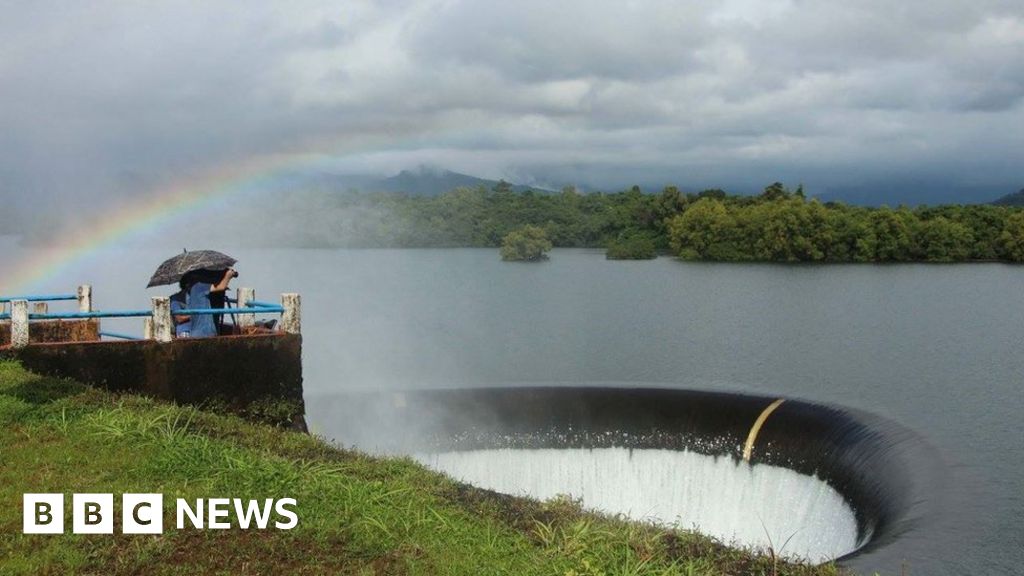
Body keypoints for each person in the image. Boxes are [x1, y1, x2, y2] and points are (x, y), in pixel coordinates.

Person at [184, 268, 238, 338]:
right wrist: (228, 276)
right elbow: (221, 287)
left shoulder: (190, 291)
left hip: (195, 332)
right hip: (205, 332)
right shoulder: (200, 286)